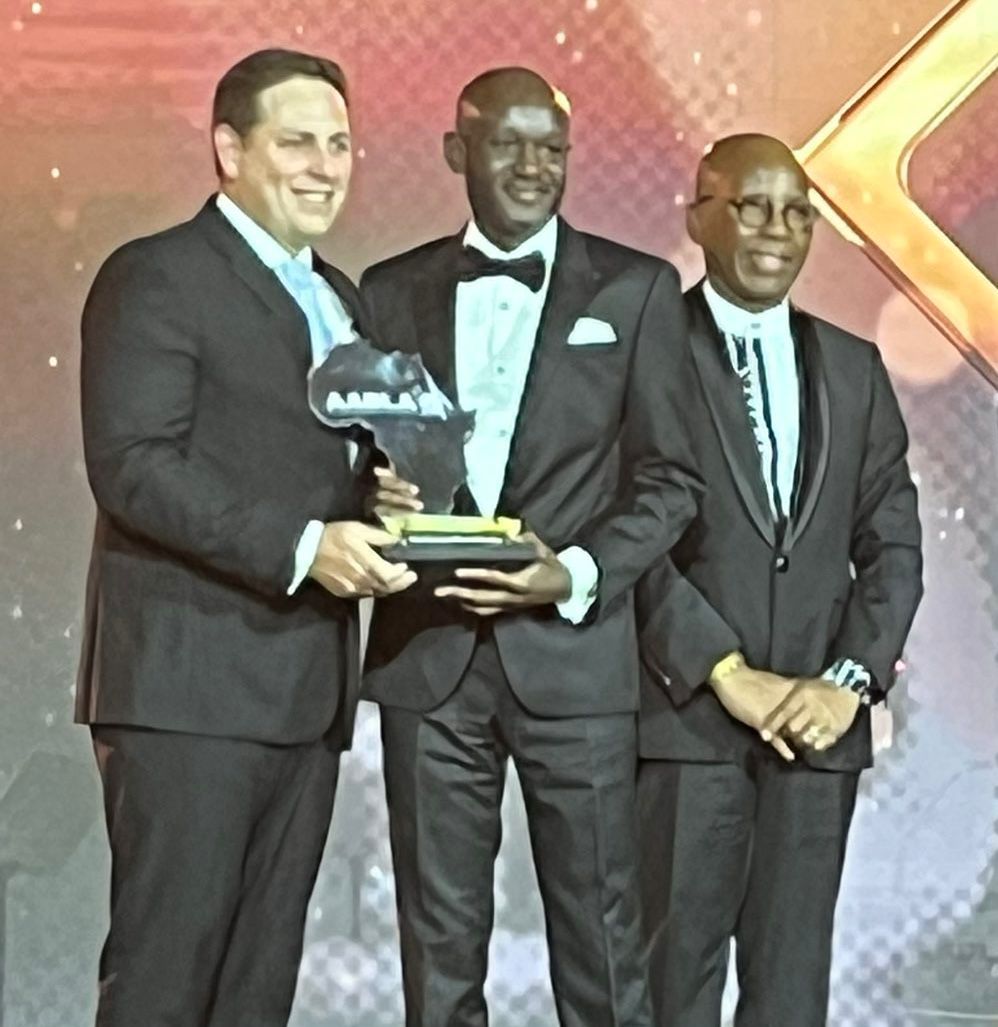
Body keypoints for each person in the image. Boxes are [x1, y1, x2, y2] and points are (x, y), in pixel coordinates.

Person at [77, 48, 414, 1027]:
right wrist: (309, 548)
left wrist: (387, 506)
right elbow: (134, 465)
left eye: (339, 144)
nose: (325, 167)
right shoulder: (157, 276)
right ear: (229, 149)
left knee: (256, 991)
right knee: (164, 980)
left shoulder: (342, 296)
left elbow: (331, 469)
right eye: (297, 142)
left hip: (304, 696)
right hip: (188, 689)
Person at [361, 66, 701, 1027]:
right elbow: (356, 464)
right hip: (428, 659)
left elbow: (672, 481)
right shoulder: (388, 290)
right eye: (507, 145)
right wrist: (371, 495)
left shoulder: (637, 290)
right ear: (456, 152)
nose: (532, 167)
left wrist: (573, 573)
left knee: (603, 947)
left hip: (575, 661)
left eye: (551, 149)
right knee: (438, 952)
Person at [635, 133, 924, 1027]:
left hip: (817, 736)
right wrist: (726, 672)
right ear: (698, 217)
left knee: (793, 994)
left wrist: (847, 682)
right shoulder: (642, 353)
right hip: (687, 728)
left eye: (797, 213)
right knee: (669, 990)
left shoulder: (854, 366)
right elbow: (625, 540)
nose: (777, 229)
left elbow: (894, 547)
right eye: (752, 207)